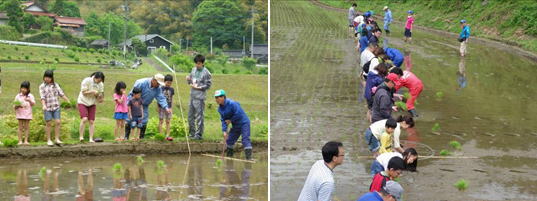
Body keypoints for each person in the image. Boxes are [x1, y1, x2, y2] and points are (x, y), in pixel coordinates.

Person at [124, 74, 171, 139]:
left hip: (145, 105)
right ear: (154, 80)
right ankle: (126, 137)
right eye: (158, 83)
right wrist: (129, 105)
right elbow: (131, 94)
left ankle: (141, 137)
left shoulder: (158, 88)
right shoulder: (141, 83)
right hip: (134, 103)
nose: (159, 85)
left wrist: (166, 107)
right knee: (130, 119)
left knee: (144, 120)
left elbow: (161, 98)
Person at [215, 89, 253, 160]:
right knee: (229, 140)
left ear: (224, 97)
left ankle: (249, 158)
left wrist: (230, 120)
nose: (217, 99)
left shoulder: (232, 103)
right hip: (236, 125)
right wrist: (224, 131)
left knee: (245, 139)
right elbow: (223, 120)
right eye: (216, 98)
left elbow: (238, 114)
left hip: (244, 122)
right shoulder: (220, 109)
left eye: (219, 97)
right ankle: (230, 157)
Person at [39, 70, 70, 146]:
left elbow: (61, 94)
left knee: (58, 122)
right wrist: (43, 105)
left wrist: (68, 101)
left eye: (49, 77)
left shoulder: (56, 85)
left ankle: (57, 139)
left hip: (56, 106)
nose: (47, 79)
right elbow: (42, 97)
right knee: (48, 123)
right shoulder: (42, 86)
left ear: (52, 78)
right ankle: (49, 140)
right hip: (47, 107)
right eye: (46, 77)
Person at [186, 54, 212, 140]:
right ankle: (191, 133)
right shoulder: (193, 70)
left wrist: (199, 87)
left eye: (199, 63)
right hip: (192, 96)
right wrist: (188, 79)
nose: (197, 65)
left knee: (199, 116)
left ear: (202, 63)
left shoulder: (206, 73)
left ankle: (199, 135)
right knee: (190, 116)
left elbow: (208, 85)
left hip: (200, 97)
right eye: (196, 63)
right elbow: (190, 81)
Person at [77, 72, 105, 143]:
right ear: (95, 78)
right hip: (82, 101)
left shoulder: (101, 84)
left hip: (92, 103)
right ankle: (81, 137)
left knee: (91, 121)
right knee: (84, 119)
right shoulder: (87, 80)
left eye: (100, 81)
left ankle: (91, 139)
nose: (99, 82)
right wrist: (92, 92)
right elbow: (83, 92)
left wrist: (99, 97)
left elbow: (100, 94)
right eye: (98, 80)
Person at [14, 81, 35, 145]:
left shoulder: (30, 96)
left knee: (26, 127)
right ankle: (20, 141)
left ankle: (26, 141)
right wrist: (18, 105)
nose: (23, 90)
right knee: (20, 128)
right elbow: (15, 106)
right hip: (20, 114)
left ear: (28, 89)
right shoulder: (18, 96)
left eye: (25, 88)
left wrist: (29, 100)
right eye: (22, 88)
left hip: (27, 114)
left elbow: (33, 104)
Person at [158, 74, 175, 139]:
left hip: (169, 107)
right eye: (167, 82)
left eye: (170, 83)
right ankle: (161, 134)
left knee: (168, 121)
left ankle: (168, 135)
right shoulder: (160, 88)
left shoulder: (172, 89)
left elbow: (172, 99)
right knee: (161, 120)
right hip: (161, 107)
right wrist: (158, 107)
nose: (169, 84)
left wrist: (171, 108)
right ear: (164, 81)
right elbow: (158, 98)